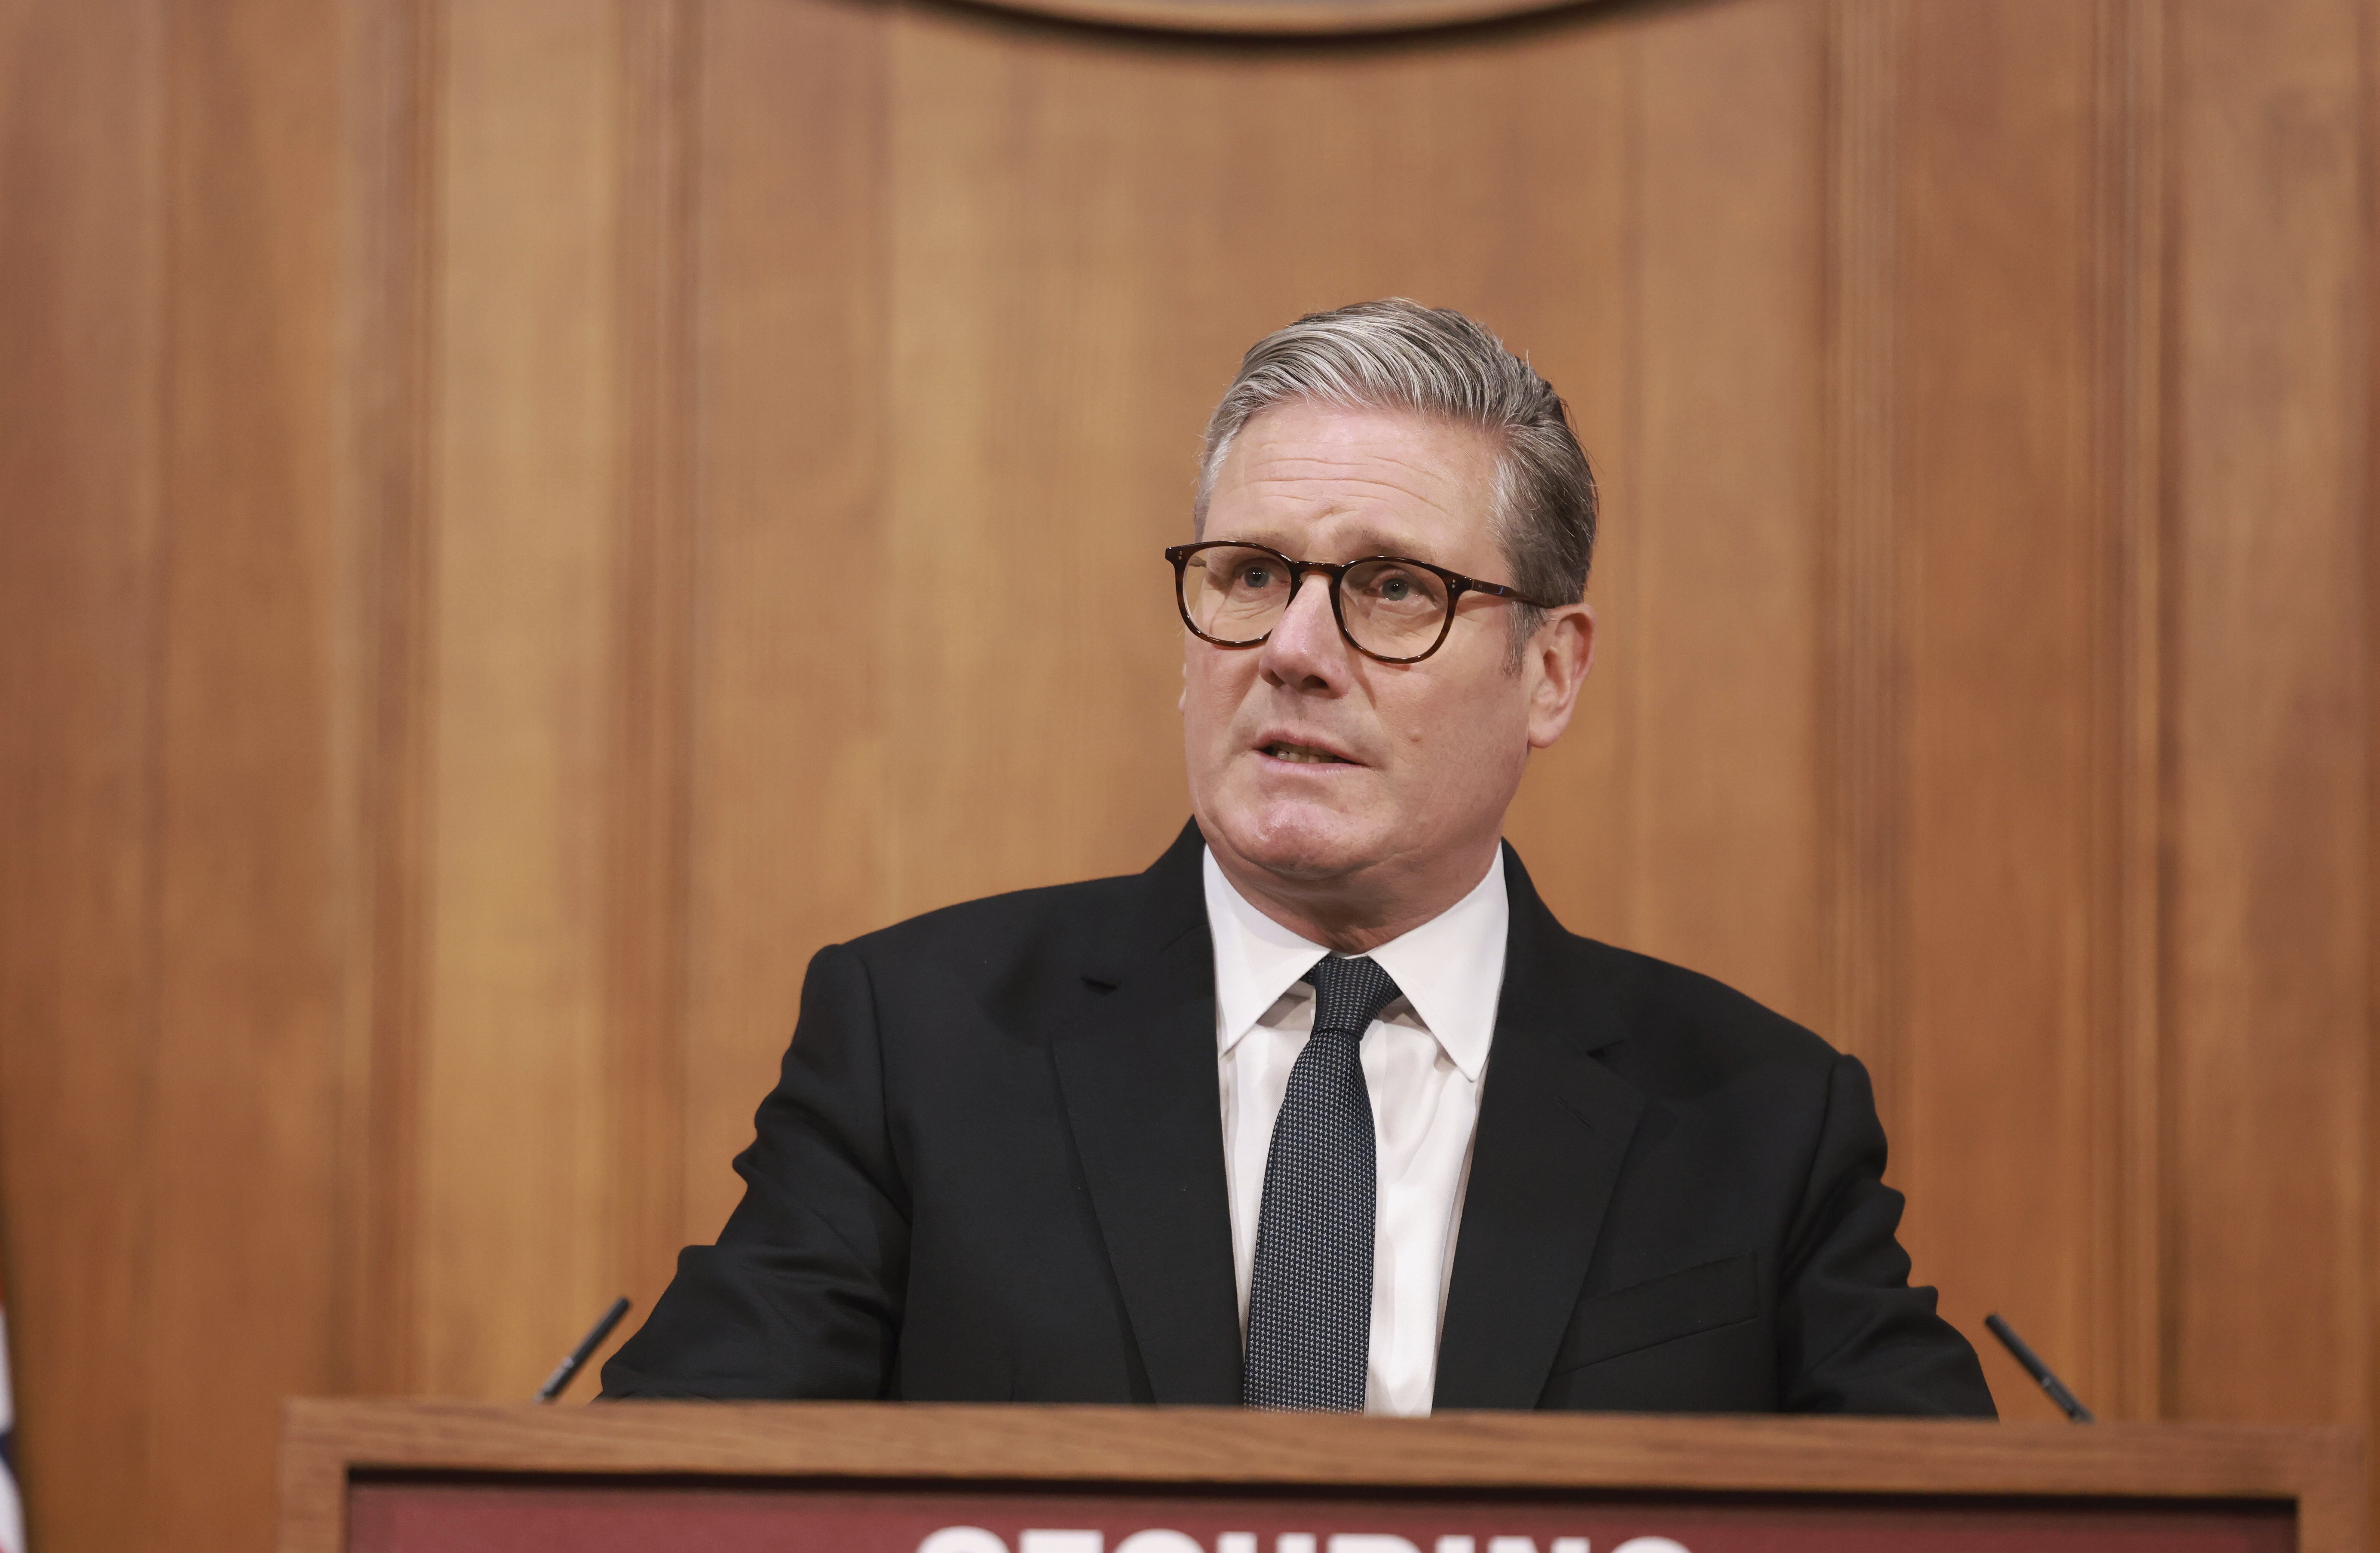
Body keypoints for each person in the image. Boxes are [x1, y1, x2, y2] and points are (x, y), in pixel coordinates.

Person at [605, 300, 1993, 1417]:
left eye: (1395, 588)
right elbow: (670, 1514)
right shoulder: (921, 1044)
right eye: (1251, 575)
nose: (1293, 651)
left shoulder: (1756, 1121)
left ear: (1550, 673)